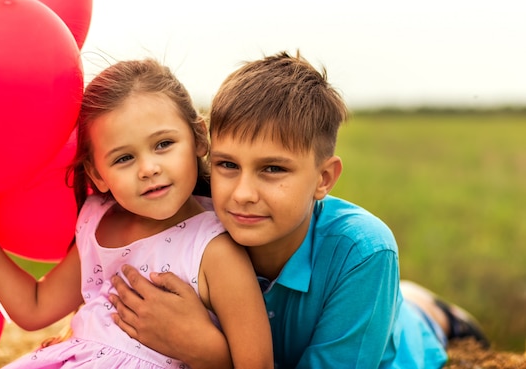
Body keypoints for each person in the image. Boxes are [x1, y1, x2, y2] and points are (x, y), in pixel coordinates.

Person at [107, 51, 489, 368]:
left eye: (273, 169)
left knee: (415, 314)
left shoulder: (363, 251)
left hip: (407, 343)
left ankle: (434, 309)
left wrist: (209, 354)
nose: (242, 194)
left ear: (324, 178)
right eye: (227, 165)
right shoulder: (189, 233)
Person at [0, 59, 273, 369]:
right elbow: (35, 306)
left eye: (163, 144)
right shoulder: (99, 221)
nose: (148, 168)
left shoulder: (214, 249)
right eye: (123, 158)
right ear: (97, 174)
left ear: (199, 137)